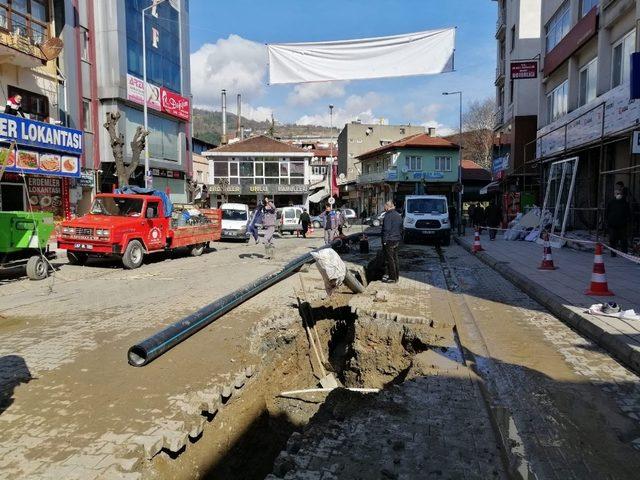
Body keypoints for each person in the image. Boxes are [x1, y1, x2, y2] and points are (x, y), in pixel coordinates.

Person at [606, 188, 631, 257]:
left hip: (622, 225)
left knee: (623, 240)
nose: (619, 195)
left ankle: (624, 253)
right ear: (614, 194)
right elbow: (607, 212)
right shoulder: (611, 202)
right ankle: (613, 253)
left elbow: (628, 213)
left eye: (620, 194)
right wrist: (608, 221)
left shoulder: (624, 202)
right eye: (617, 194)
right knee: (612, 239)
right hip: (612, 224)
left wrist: (628, 220)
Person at [381, 200, 402, 284]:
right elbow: (401, 227)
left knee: (390, 259)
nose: (384, 208)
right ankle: (396, 277)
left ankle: (392, 278)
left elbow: (386, 229)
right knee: (395, 258)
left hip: (389, 240)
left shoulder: (388, 215)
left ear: (388, 206)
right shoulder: (398, 215)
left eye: (384, 206)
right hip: (396, 239)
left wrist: (384, 240)